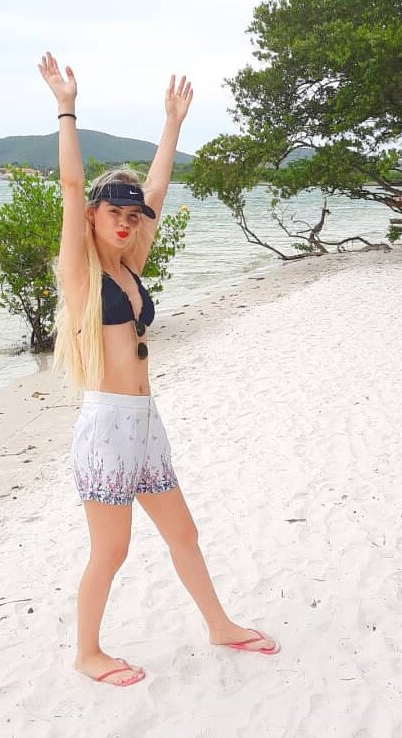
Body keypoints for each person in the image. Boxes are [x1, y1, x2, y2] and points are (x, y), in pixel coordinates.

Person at [38, 52, 279, 687]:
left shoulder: (129, 267)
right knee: (111, 550)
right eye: (113, 214)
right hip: (107, 428)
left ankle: (219, 624)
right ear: (92, 217)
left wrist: (172, 124)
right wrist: (67, 108)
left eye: (131, 216)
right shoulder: (81, 275)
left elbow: (158, 193)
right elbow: (70, 186)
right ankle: (87, 653)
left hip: (146, 423)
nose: (125, 223)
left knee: (184, 534)